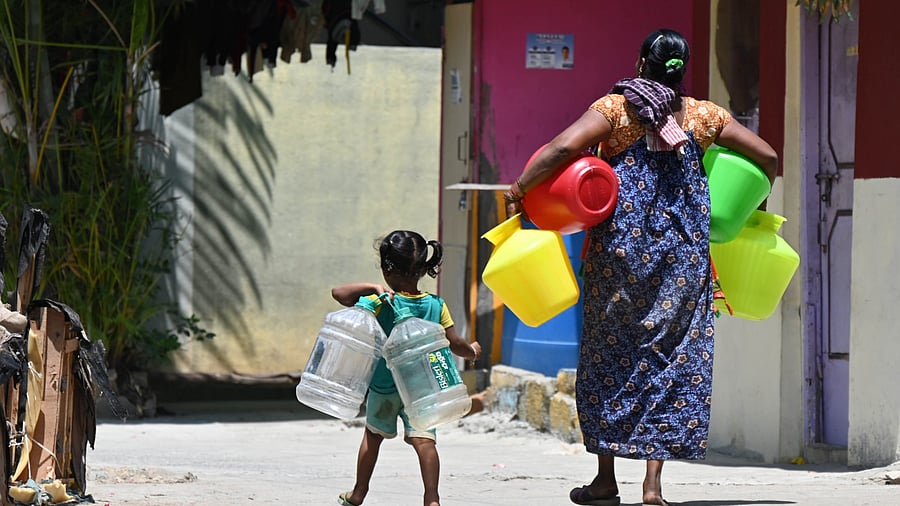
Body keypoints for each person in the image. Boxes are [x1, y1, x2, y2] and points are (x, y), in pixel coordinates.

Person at [504, 29, 777, 506]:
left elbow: (563, 148)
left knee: (608, 356)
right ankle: (653, 486)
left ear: (640, 62)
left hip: (620, 261)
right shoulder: (704, 115)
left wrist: (519, 188)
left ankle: (605, 479)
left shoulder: (615, 110)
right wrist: (752, 205)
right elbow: (767, 156)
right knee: (671, 358)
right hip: (683, 261)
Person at [333, 230, 482, 506]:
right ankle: (432, 498)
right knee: (425, 442)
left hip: (384, 385)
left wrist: (372, 287)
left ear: (386, 268)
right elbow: (455, 343)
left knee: (372, 437)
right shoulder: (436, 305)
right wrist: (472, 351)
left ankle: (358, 493)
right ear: (423, 269)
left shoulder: (379, 302)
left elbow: (339, 294)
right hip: (421, 389)